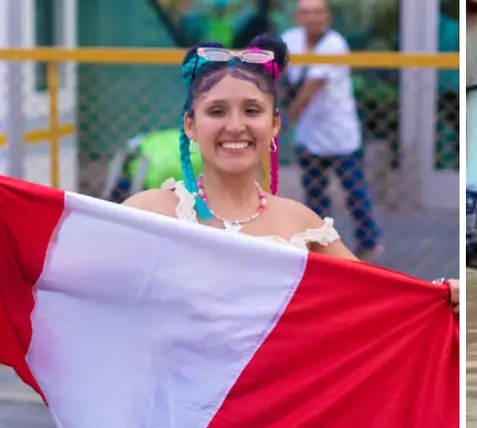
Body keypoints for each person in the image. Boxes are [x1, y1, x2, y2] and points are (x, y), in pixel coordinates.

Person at [122, 35, 458, 312]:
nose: (235, 126)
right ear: (190, 125)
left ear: (274, 124)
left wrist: (442, 298)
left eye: (252, 111)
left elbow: (385, 301)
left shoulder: (302, 225)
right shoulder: (148, 214)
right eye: (217, 111)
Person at [281, 0, 383, 261]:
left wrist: (281, 124)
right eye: (306, 12)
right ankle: (320, 247)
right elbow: (278, 76)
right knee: (315, 194)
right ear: (298, 17)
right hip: (309, 132)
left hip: (339, 133)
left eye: (317, 12)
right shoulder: (289, 40)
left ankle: (369, 242)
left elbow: (308, 91)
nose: (312, 17)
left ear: (326, 16)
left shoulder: (334, 44)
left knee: (354, 191)